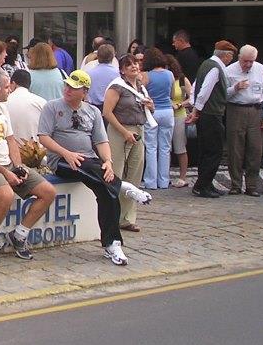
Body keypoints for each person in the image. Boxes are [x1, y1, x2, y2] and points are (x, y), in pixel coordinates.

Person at [37, 70, 151, 266]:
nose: (68, 90)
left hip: (90, 161)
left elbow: (101, 141)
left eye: (74, 88)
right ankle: (123, 186)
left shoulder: (92, 111)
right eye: (67, 86)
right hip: (62, 161)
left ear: (85, 92)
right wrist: (66, 153)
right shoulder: (52, 107)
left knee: (107, 192)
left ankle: (112, 243)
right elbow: (44, 137)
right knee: (91, 170)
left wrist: (108, 162)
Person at [0, 69, 57, 263]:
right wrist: (5, 172)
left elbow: (11, 140)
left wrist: (18, 166)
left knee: (48, 192)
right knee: (6, 195)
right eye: (6, 87)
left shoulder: (2, 108)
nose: (10, 90)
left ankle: (20, 234)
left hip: (7, 163)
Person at [103, 55, 152, 232]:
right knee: (116, 173)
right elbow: (107, 112)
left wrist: (150, 106)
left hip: (138, 130)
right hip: (120, 131)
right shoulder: (116, 87)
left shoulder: (140, 87)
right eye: (129, 65)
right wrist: (124, 132)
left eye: (136, 63)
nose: (134, 66)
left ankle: (127, 218)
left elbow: (147, 110)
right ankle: (111, 216)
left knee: (135, 173)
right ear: (122, 70)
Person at [188, 40, 238, 198]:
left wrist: (195, 108)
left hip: (206, 113)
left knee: (206, 150)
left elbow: (195, 87)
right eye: (231, 56)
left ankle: (206, 183)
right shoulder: (216, 68)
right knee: (214, 151)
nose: (231, 59)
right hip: (211, 114)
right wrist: (196, 109)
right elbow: (204, 91)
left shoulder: (206, 64)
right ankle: (202, 185)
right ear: (226, 55)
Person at [224, 44, 263, 197]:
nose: (248, 64)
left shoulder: (261, 69)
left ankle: (252, 185)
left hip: (256, 110)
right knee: (235, 149)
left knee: (255, 149)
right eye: (245, 61)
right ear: (239, 58)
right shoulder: (229, 70)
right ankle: (236, 184)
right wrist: (235, 88)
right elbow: (222, 94)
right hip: (236, 109)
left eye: (251, 61)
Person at [141, 47, 175, 192]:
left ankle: (151, 181)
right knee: (165, 148)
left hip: (152, 112)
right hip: (167, 111)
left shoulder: (146, 76)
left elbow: (141, 93)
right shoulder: (170, 74)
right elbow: (172, 94)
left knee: (151, 147)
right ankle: (164, 180)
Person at [165, 54, 193, 188]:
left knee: (180, 147)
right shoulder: (164, 79)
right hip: (166, 114)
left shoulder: (181, 79)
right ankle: (164, 176)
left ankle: (182, 177)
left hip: (178, 115)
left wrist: (181, 104)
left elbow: (192, 97)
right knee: (165, 148)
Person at [6, 69, 46, 142]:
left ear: (13, 83)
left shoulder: (4, 102)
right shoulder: (41, 102)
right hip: (37, 146)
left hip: (10, 146)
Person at [86, 44, 120, 112]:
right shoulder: (118, 74)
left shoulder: (89, 73)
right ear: (113, 56)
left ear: (97, 56)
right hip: (112, 109)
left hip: (92, 108)